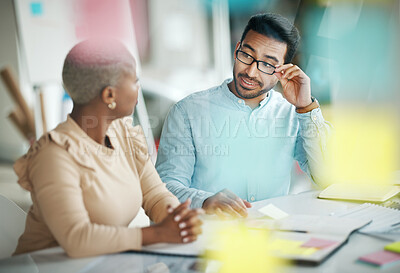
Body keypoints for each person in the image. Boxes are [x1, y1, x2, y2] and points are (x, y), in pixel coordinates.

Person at [13, 40, 203, 258]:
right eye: (135, 80)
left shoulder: (124, 134)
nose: (139, 87)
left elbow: (154, 194)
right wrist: (158, 233)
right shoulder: (54, 154)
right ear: (110, 95)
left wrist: (176, 219)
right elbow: (77, 239)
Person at [155, 13, 331, 218]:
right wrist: (204, 201)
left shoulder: (291, 113)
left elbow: (326, 177)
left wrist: (306, 108)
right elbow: (164, 189)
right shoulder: (188, 112)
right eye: (247, 55)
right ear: (237, 48)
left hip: (272, 236)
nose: (251, 72)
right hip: (208, 237)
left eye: (267, 64)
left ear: (284, 70)